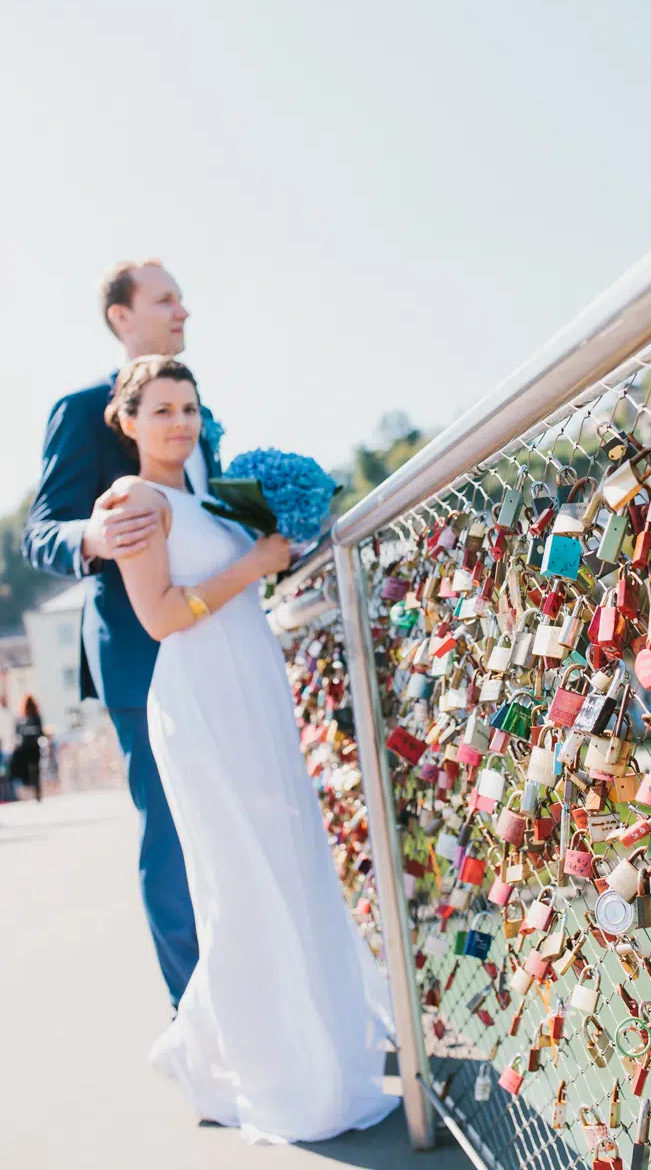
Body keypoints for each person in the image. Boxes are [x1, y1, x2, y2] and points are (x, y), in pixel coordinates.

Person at [102, 353, 398, 1142]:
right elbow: (162, 616)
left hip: (250, 687)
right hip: (202, 697)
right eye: (161, 409)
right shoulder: (135, 498)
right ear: (127, 420)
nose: (180, 423)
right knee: (242, 879)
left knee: (286, 861)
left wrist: (269, 547)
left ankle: (236, 1045)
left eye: (189, 407)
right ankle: (269, 1067)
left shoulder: (202, 496)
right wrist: (255, 564)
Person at [23, 261, 222, 1010]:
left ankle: (247, 997)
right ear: (121, 317)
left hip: (215, 645)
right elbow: (41, 533)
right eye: (166, 299)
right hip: (140, 656)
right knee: (170, 836)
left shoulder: (203, 415)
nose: (183, 310)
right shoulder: (81, 410)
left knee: (228, 822)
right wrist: (94, 534)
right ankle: (195, 1015)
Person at [10, 696, 44, 801]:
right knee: (35, 770)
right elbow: (40, 732)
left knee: (28, 770)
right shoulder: (36, 717)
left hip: (26, 748)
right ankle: (36, 791)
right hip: (34, 748)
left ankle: (31, 791)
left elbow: (17, 733)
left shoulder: (22, 718)